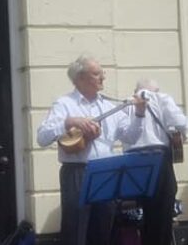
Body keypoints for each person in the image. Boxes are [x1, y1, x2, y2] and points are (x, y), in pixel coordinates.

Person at [36, 56, 147, 245]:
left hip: (106, 172)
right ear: (80, 78)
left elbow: (131, 136)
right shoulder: (64, 104)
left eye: (102, 73)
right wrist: (70, 122)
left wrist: (139, 113)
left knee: (103, 229)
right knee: (76, 230)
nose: (103, 78)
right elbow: (42, 137)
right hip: (77, 172)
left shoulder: (107, 105)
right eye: (97, 74)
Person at [122, 78, 188, 245]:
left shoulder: (128, 104)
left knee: (140, 215)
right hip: (158, 159)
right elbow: (180, 123)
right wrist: (180, 136)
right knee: (162, 216)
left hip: (132, 160)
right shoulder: (162, 98)